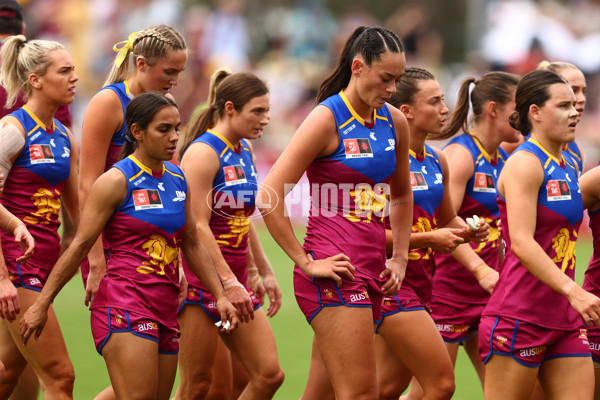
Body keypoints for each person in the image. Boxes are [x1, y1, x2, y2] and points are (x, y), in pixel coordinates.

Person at [19, 92, 239, 400]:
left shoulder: (178, 177)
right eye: (164, 129)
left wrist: (220, 295)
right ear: (137, 132)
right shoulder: (115, 181)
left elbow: (191, 243)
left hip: (165, 305)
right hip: (122, 303)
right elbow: (80, 245)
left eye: (177, 128)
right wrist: (41, 304)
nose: (174, 137)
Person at [257, 26, 413, 400]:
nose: (392, 89)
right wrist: (305, 262)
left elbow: (402, 195)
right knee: (361, 393)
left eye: (398, 80)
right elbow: (268, 195)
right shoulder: (326, 119)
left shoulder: (395, 121)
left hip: (374, 270)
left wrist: (400, 257)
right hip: (336, 274)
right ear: (358, 67)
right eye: (385, 78)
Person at [479, 69, 599, 399]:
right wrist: (574, 291)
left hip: (564, 318)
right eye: (563, 105)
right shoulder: (525, 164)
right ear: (535, 112)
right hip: (519, 317)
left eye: (575, 104)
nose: (575, 111)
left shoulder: (566, 163)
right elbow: (521, 242)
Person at [399, 71, 520, 399]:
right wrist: (480, 267)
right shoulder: (461, 155)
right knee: (427, 390)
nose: (523, 114)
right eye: (517, 106)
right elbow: (442, 221)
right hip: (447, 293)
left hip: (490, 292)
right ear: (493, 109)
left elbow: (457, 221)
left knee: (503, 391)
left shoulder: (507, 158)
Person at [173, 68, 284, 400]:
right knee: (198, 387)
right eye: (258, 111)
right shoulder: (203, 153)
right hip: (198, 286)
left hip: (234, 283)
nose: (266, 119)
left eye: (267, 111)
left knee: (269, 375)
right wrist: (228, 281)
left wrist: (260, 270)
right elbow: (197, 226)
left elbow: (242, 216)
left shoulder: (244, 150)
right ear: (231, 108)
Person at [79, 24, 187, 302]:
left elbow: (168, 178)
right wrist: (94, 258)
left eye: (179, 73)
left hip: (156, 239)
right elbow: (87, 184)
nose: (175, 81)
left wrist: (178, 256)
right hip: (114, 240)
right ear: (141, 64)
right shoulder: (108, 103)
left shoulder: (167, 103)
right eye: (169, 72)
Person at [0, 2, 74, 398]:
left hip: (44, 265)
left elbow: (77, 206)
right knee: (61, 376)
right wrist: (2, 279)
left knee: (8, 373)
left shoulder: (63, 135)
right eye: (64, 71)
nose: (75, 78)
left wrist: (94, 258)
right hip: (17, 268)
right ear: (36, 80)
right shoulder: (12, 129)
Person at [501, 61, 587, 174]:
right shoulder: (517, 144)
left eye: (584, 91)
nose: (582, 99)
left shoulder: (577, 154)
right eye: (573, 90)